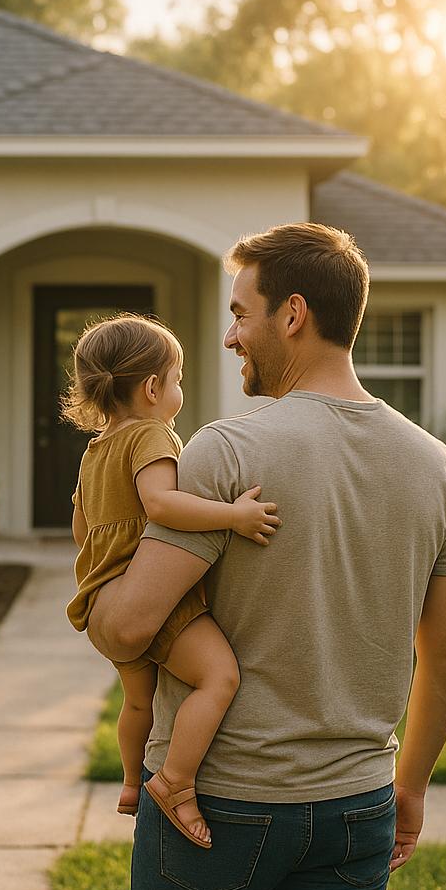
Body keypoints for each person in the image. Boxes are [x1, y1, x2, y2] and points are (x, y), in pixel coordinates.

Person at [88, 223, 446, 890]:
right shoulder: (435, 464)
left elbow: (126, 629)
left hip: (222, 804)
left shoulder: (226, 450)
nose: (231, 336)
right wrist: (409, 787)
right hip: (360, 807)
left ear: (292, 314)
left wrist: (94, 565)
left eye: (241, 313)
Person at [64, 314, 280, 848]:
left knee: (140, 703)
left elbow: (80, 527)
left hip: (99, 604)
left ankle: (132, 784)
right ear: (153, 387)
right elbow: (161, 503)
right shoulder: (151, 434)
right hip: (154, 598)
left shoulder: (95, 449)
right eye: (178, 377)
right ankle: (175, 782)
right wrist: (232, 516)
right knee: (218, 678)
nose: (181, 389)